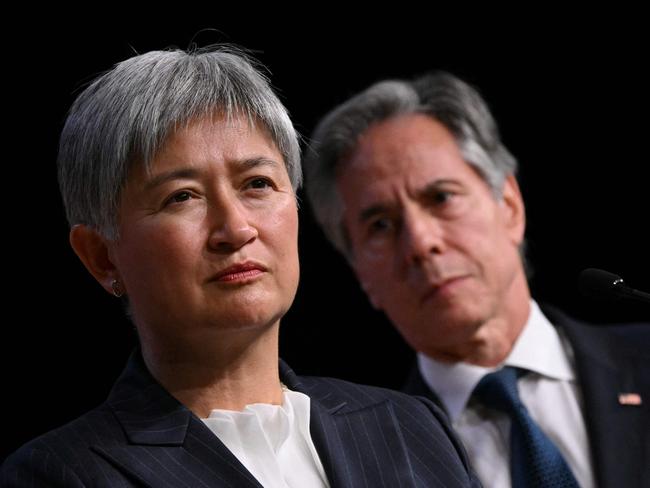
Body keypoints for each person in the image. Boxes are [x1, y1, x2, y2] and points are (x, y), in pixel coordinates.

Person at [0, 48, 480, 487]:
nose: (235, 228)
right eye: (181, 196)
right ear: (101, 256)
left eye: (257, 184)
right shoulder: (66, 474)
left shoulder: (413, 425)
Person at [304, 72, 650, 488]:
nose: (420, 242)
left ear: (509, 206)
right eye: (380, 224)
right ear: (360, 272)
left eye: (441, 197)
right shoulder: (365, 466)